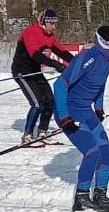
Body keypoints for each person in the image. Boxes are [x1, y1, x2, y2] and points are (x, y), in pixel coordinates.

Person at [54, 26, 109, 212]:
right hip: (70, 111)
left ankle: (101, 196)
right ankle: (82, 197)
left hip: (86, 111)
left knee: (107, 152)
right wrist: (64, 117)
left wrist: (99, 106)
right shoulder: (88, 57)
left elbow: (100, 84)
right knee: (92, 152)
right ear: (102, 41)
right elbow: (60, 84)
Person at [11, 8, 74, 146]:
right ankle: (27, 136)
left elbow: (61, 51)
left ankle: (42, 132)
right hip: (22, 72)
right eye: (52, 23)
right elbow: (35, 55)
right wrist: (55, 64)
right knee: (38, 103)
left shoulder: (49, 36)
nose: (54, 26)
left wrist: (76, 62)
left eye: (55, 23)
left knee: (50, 101)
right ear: (44, 22)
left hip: (35, 71)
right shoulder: (30, 33)